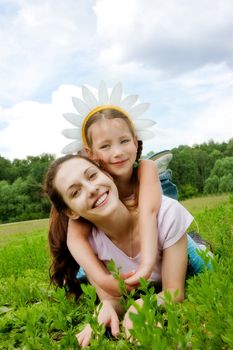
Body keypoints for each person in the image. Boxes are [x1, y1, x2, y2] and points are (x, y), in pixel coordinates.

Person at [44, 154, 211, 347]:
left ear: (107, 174)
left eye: (92, 176)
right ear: (71, 211)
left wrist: (140, 306)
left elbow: (174, 292)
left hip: (179, 244)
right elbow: (113, 298)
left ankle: (160, 176)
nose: (91, 189)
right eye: (75, 193)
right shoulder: (86, 247)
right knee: (82, 274)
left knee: (202, 259)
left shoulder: (167, 214)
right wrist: (105, 307)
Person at [61, 82, 163, 293]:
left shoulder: (146, 168)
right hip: (113, 245)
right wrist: (105, 281)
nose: (117, 152)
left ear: (135, 142)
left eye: (124, 141)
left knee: (183, 245)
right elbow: (76, 238)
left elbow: (149, 212)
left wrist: (146, 266)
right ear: (90, 153)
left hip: (155, 231)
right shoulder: (95, 186)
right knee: (87, 270)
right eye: (105, 146)